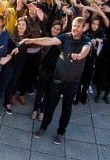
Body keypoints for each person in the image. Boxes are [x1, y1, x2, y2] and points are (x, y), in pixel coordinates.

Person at [23, 16, 91, 145]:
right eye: (74, 25)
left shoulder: (85, 40)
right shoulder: (65, 37)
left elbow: (86, 49)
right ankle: (43, 128)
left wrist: (80, 56)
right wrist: (31, 40)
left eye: (78, 26)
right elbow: (49, 40)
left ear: (83, 28)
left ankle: (60, 132)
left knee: (66, 108)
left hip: (73, 81)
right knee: (50, 105)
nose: (75, 28)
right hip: (58, 78)